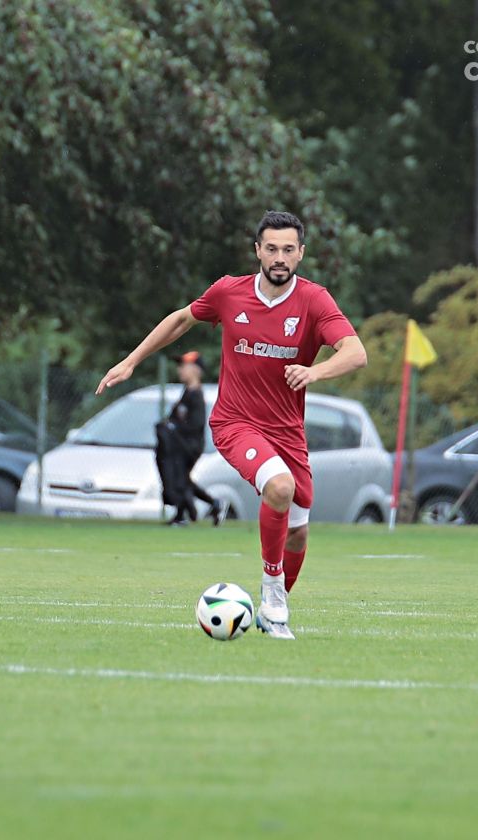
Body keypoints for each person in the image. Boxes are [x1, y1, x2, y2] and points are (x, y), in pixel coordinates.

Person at [97, 211, 367, 640]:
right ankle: (274, 598)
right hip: (234, 422)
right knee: (280, 487)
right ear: (258, 250)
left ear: (301, 253)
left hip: (287, 431)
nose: (279, 258)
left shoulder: (315, 301)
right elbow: (181, 319)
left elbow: (355, 352)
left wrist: (314, 372)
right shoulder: (228, 292)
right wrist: (131, 361)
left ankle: (272, 607)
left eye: (288, 250)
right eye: (271, 248)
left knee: (297, 534)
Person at [156, 351, 223, 526]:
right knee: (182, 479)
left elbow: (196, 424)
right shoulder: (186, 393)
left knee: (180, 478)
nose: (180, 370)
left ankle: (185, 513)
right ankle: (211, 504)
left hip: (189, 446)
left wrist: (174, 428)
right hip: (181, 445)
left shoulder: (196, 395)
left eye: (184, 366)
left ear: (196, 370)